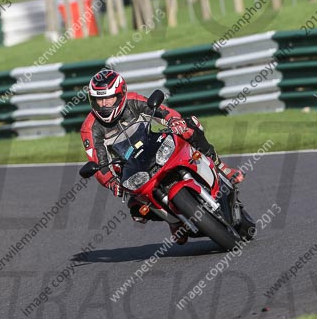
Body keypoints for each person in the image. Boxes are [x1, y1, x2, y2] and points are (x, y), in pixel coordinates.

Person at [80, 69, 243, 244]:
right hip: (129, 167)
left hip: (153, 145)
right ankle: (173, 221)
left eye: (109, 98)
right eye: (99, 99)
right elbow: (98, 164)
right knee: (137, 211)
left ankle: (220, 166)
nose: (104, 104)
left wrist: (175, 121)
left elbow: (164, 112)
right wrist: (111, 182)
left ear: (121, 94)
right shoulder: (90, 128)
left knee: (190, 125)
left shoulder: (133, 101)